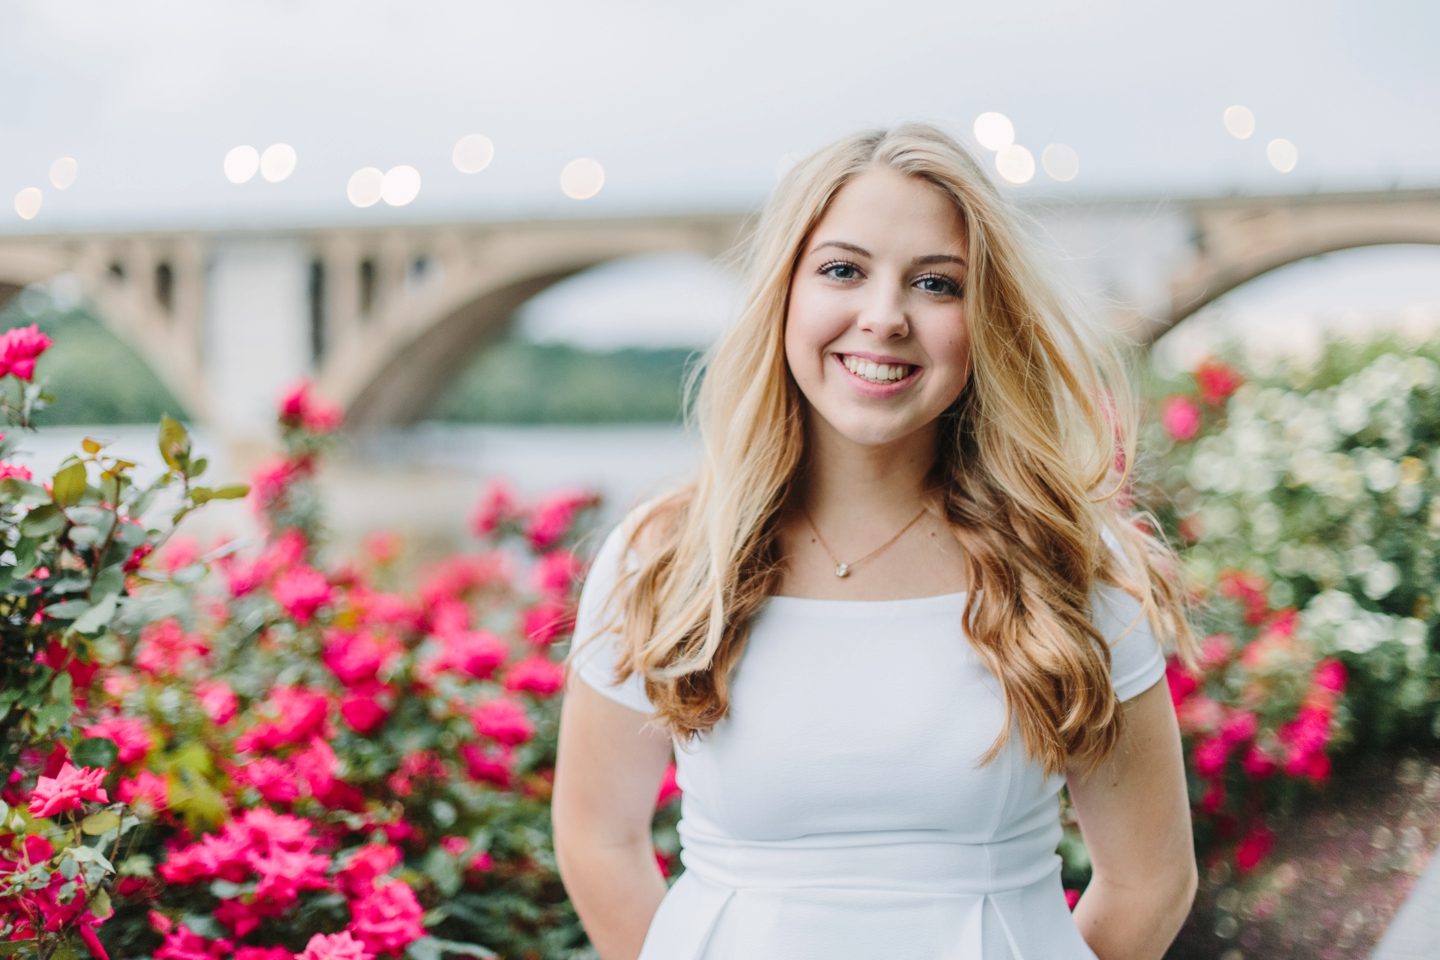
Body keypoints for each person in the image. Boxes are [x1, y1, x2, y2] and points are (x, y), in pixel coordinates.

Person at [551, 124, 1197, 960]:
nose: (884, 317)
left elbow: (1152, 880)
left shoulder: (1072, 563)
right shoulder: (667, 556)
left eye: (936, 283)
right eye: (842, 270)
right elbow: (596, 836)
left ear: (983, 318)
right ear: (783, 292)